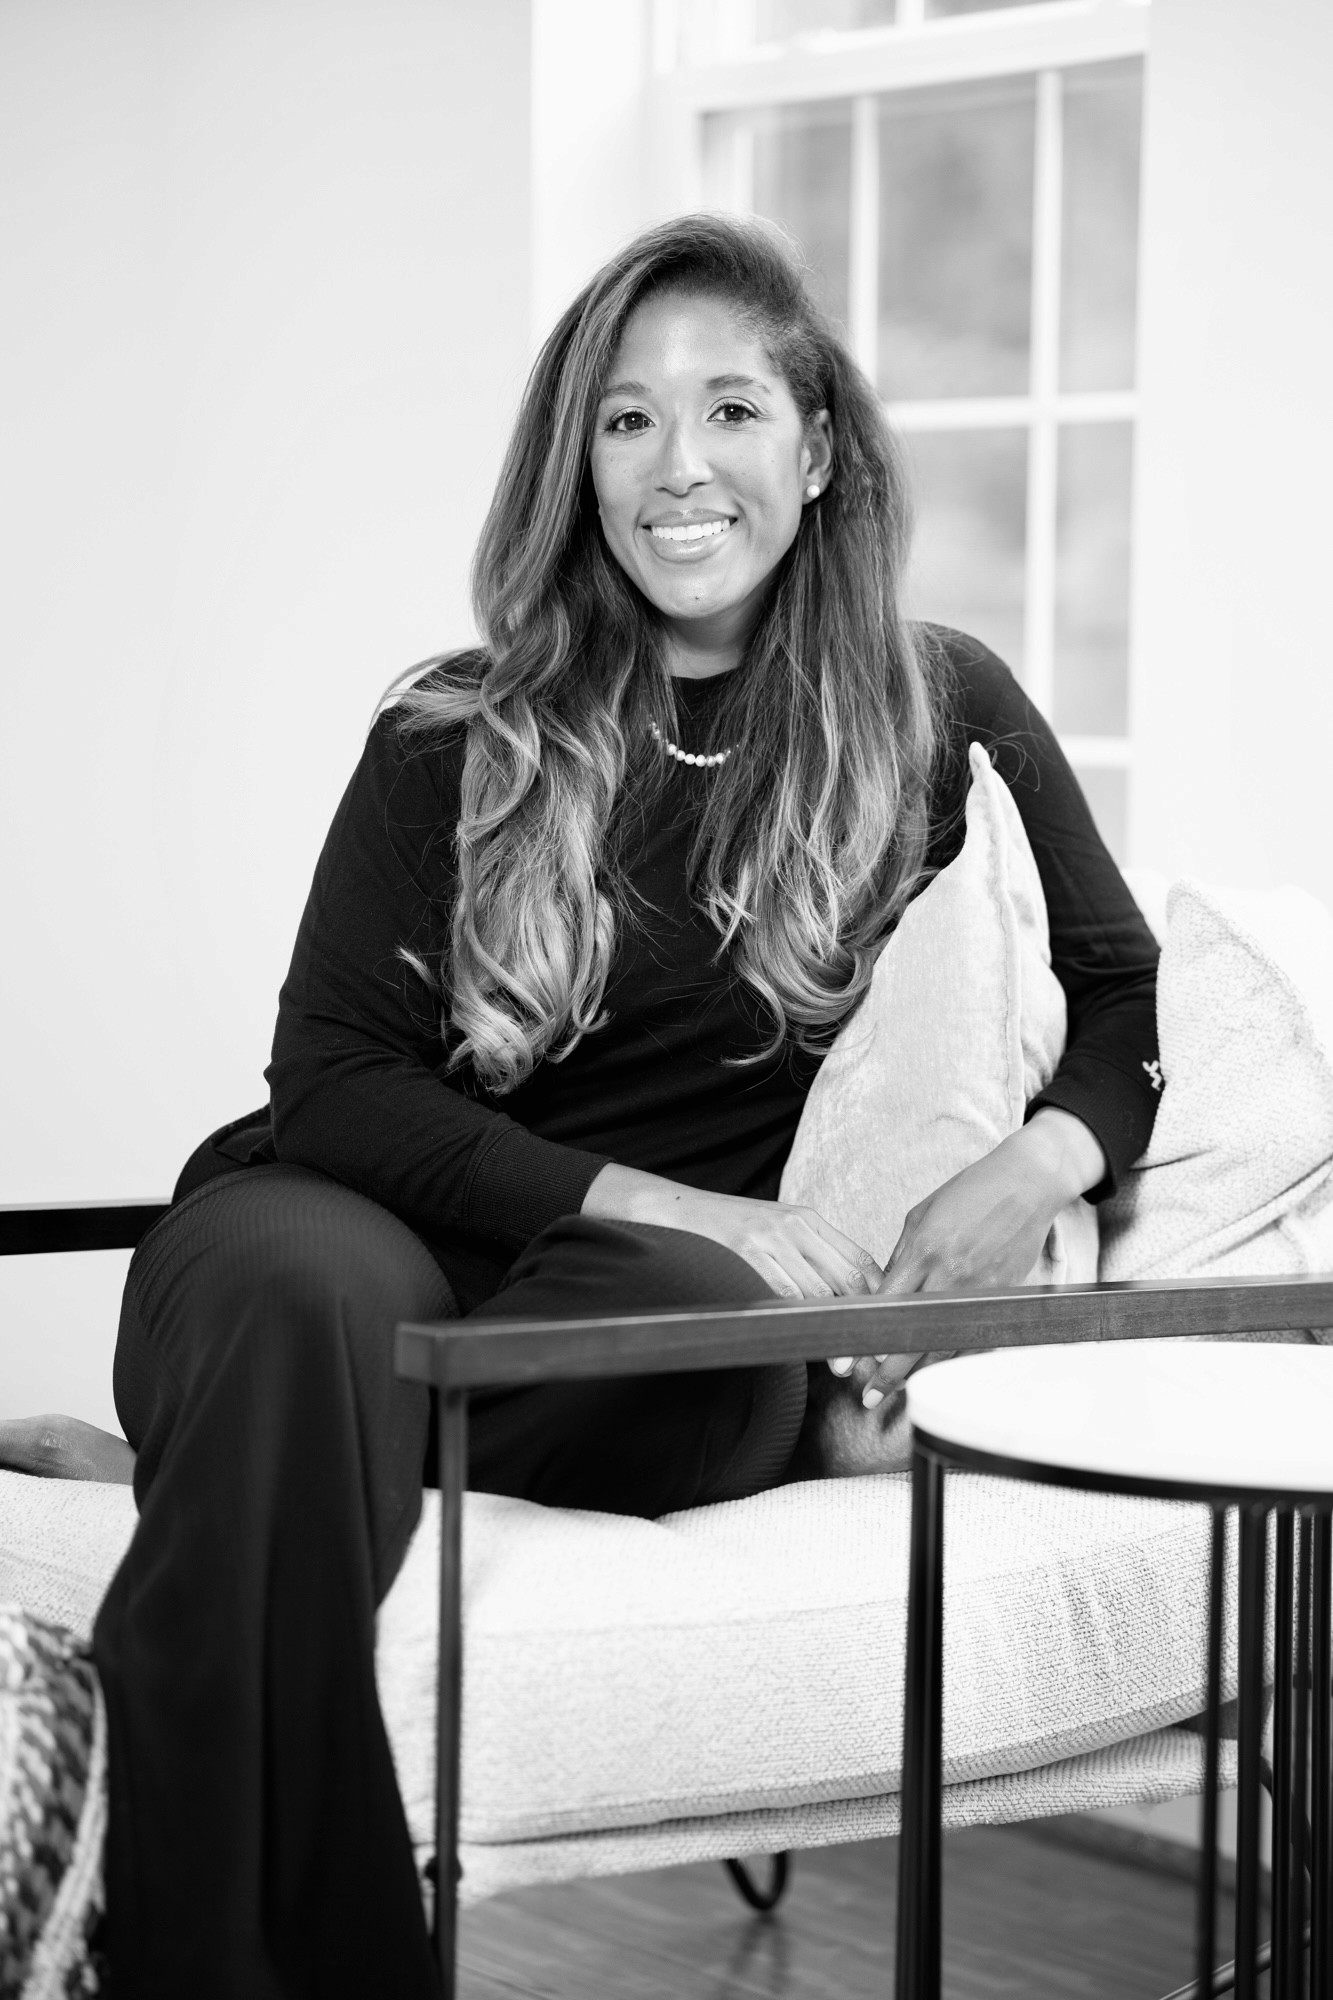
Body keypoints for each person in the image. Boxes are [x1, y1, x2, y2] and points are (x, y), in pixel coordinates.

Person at [87, 214, 1160, 1996]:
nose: (680, 468)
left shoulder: (933, 707)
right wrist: (695, 1206)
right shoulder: (455, 728)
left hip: (638, 1327)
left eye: (732, 409)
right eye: (626, 421)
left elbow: (1120, 1002)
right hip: (354, 1221)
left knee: (691, 1336)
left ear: (816, 454)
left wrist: (1031, 1163)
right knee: (304, 1298)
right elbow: (334, 1087)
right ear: (575, 465)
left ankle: (226, 1459)